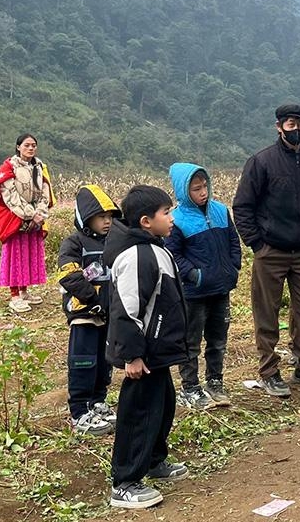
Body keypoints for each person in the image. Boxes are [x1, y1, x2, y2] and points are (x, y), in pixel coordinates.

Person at [233, 103, 300, 398]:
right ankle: (269, 371)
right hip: (272, 251)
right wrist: (257, 245)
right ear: (279, 126)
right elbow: (243, 207)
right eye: (291, 124)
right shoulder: (261, 162)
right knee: (266, 314)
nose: (297, 129)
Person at [105, 185, 191, 510]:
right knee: (139, 413)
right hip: (142, 354)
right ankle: (125, 482)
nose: (171, 218)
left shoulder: (156, 247)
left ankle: (154, 460)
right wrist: (132, 355)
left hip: (157, 353)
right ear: (145, 221)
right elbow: (126, 310)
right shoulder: (136, 256)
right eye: (166, 213)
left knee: (163, 406)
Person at [166, 163, 242, 410]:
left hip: (221, 288)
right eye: (196, 189)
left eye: (204, 186)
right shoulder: (176, 220)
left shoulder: (220, 210)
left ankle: (215, 381)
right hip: (194, 293)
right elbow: (173, 255)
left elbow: (233, 240)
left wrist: (233, 266)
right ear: (183, 191)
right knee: (191, 341)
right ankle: (190, 386)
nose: (203, 192)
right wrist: (194, 275)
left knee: (218, 338)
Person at [57, 184, 123, 437]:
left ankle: (97, 401)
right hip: (84, 316)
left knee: (105, 361)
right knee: (83, 362)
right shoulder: (74, 243)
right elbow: (69, 276)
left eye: (110, 217)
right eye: (101, 217)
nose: (107, 222)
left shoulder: (116, 242)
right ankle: (79, 412)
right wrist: (92, 299)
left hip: (109, 314)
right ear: (86, 218)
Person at [0, 134, 54, 314]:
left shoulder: (39, 166)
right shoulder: (8, 167)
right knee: (15, 253)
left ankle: (24, 291)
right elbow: (10, 195)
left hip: (35, 216)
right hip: (14, 216)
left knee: (28, 252)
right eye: (27, 145)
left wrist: (40, 213)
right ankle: (14, 296)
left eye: (34, 145)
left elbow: (45, 191)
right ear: (18, 147)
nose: (31, 148)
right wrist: (29, 215)